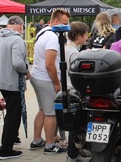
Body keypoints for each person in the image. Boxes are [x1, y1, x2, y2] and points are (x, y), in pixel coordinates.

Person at [30, 9, 70, 154]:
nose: (66, 26)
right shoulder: (52, 37)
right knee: (51, 113)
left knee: (42, 109)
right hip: (46, 78)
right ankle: (49, 145)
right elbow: (49, 64)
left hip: (37, 76)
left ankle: (37, 140)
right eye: (64, 23)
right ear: (55, 21)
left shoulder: (43, 32)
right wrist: (56, 83)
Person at [0, 16, 30, 159]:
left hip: (2, 80)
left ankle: (10, 139)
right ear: (19, 26)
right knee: (13, 115)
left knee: (9, 114)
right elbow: (17, 63)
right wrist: (26, 70)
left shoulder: (1, 37)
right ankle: (6, 148)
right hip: (12, 82)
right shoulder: (17, 40)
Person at [64, 21, 90, 162]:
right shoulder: (74, 53)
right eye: (85, 35)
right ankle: (73, 154)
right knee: (76, 124)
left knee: (75, 123)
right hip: (73, 90)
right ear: (79, 35)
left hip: (68, 89)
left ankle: (74, 151)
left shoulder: (67, 49)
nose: (87, 37)